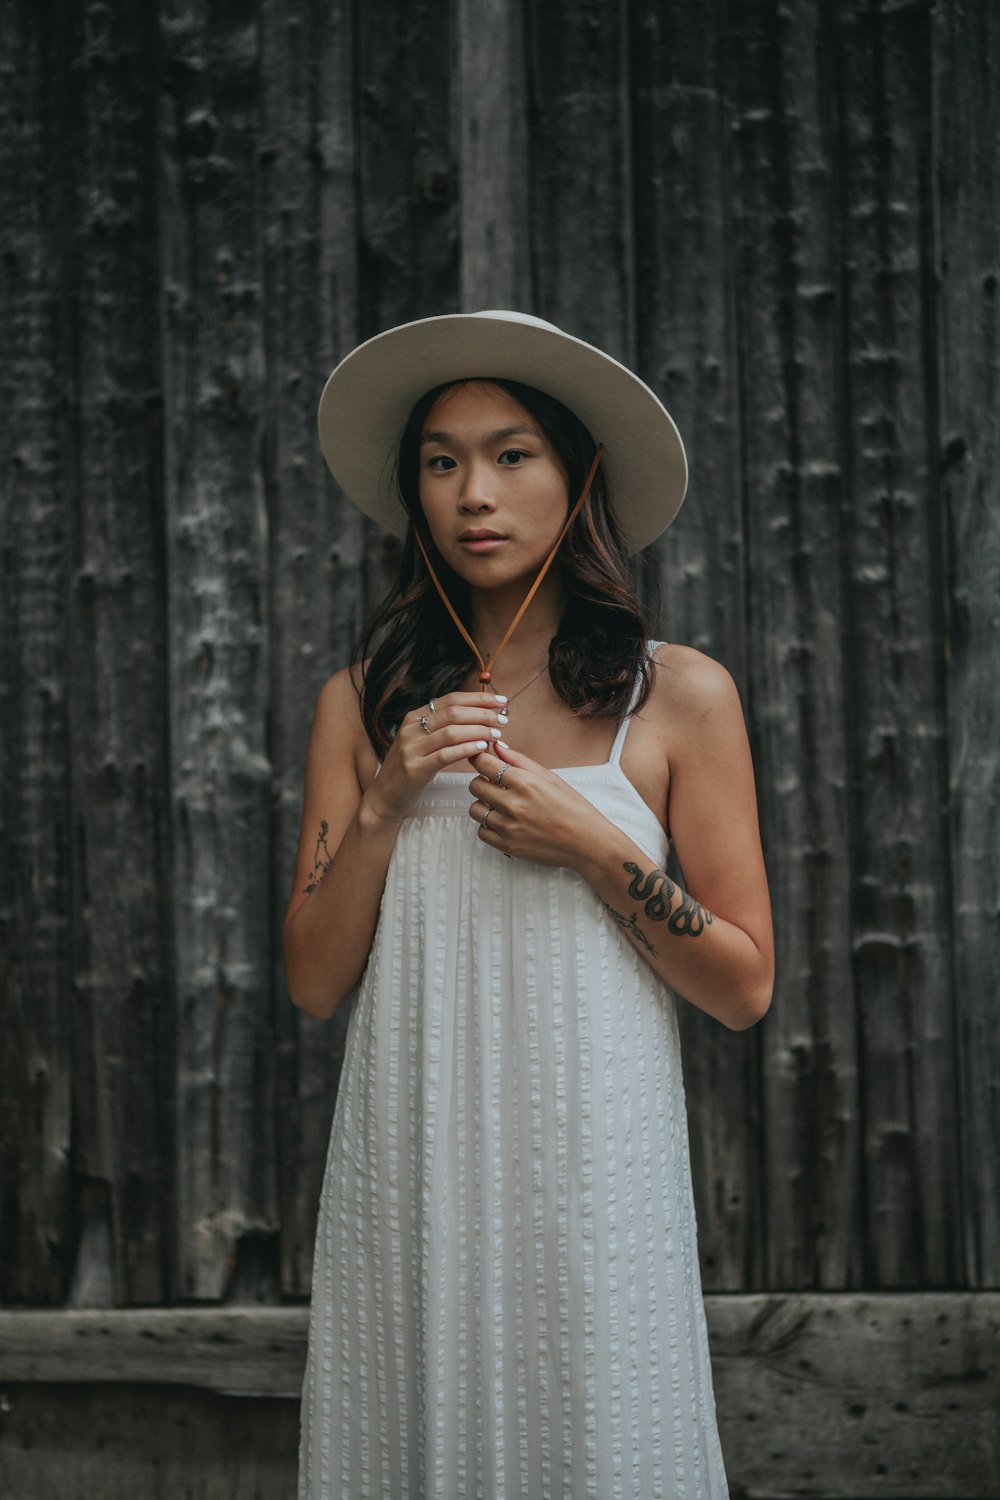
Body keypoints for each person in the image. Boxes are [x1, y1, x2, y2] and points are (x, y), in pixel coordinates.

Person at [285, 310, 774, 1499]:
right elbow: (311, 980)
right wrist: (394, 796)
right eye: (441, 462)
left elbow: (744, 985)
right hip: (414, 1162)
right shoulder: (361, 705)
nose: (473, 494)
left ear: (579, 474)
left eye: (512, 455)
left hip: (592, 1166)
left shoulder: (679, 697)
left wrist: (596, 849)